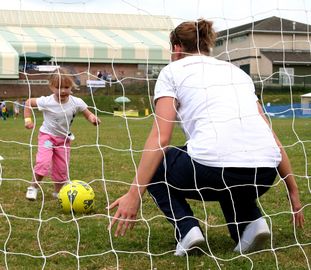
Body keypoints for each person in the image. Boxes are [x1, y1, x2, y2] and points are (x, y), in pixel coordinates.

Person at [107, 19, 304, 256]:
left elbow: (161, 137)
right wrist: (292, 189)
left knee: (165, 162)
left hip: (215, 167)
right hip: (264, 173)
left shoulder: (172, 71)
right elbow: (271, 135)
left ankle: (187, 230)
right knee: (225, 165)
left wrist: (133, 194)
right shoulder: (235, 72)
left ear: (177, 47)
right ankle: (250, 225)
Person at [24, 68, 101, 200]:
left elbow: (87, 113)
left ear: (71, 86)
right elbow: (28, 103)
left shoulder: (76, 102)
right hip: (48, 138)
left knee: (62, 168)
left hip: (63, 140)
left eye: (66, 87)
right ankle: (33, 187)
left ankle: (58, 192)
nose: (63, 91)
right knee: (43, 162)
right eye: (58, 87)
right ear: (51, 87)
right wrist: (28, 120)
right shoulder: (47, 101)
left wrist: (93, 119)